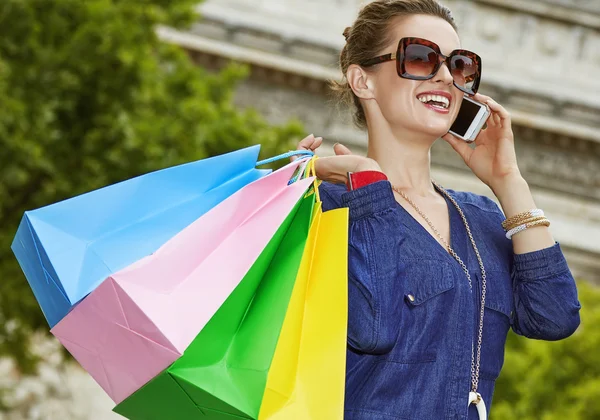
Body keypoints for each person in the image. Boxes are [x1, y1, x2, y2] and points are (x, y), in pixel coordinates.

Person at [294, 1, 581, 419]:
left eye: (459, 65)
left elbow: (554, 318)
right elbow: (374, 327)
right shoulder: (324, 207)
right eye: (420, 58)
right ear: (363, 80)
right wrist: (368, 185)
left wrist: (508, 181)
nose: (446, 77)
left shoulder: (480, 216)